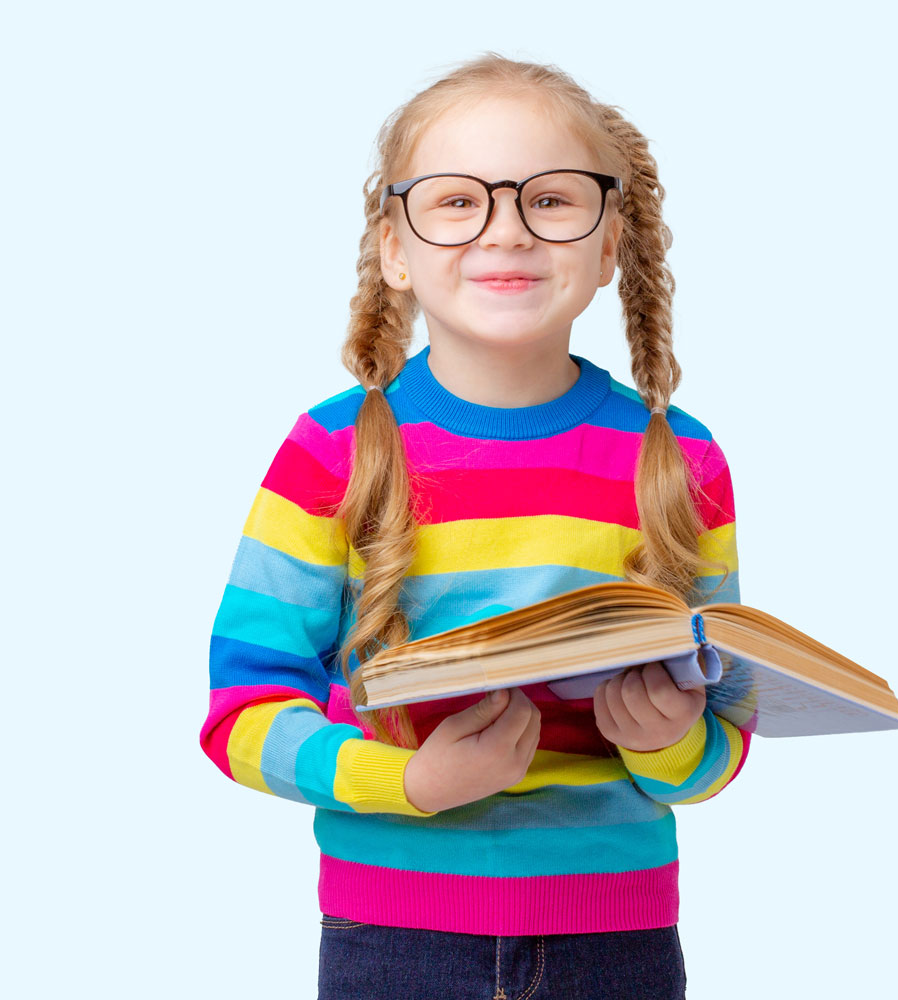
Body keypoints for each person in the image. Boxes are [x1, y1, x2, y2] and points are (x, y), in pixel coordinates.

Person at [201, 52, 750, 1000]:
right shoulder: (330, 452)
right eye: (458, 201)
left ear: (610, 240)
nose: (507, 231)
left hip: (617, 939)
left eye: (551, 200)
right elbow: (241, 716)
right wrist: (403, 783)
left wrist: (669, 742)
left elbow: (727, 730)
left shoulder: (682, 459)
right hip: (393, 935)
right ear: (394, 249)